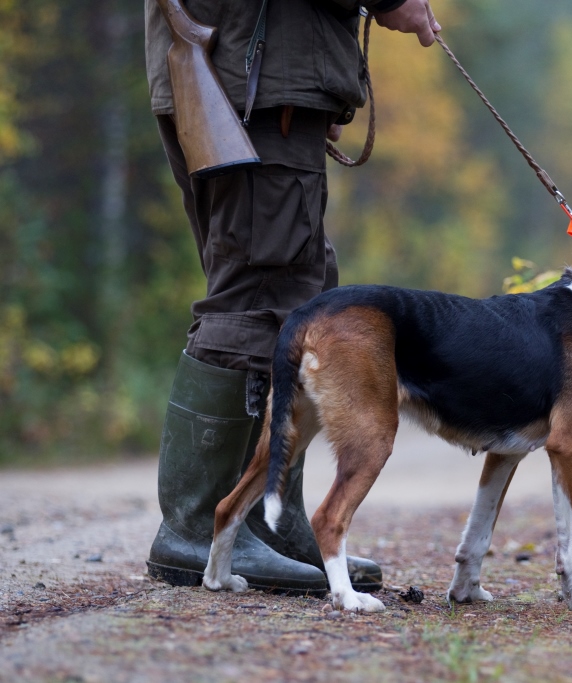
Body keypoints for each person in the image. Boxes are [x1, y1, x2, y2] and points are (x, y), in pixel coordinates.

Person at [143, 0, 440, 596]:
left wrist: (313, 82)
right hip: (250, 83)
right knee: (259, 294)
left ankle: (268, 521)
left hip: (251, 78)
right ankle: (201, 526)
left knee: (298, 296)